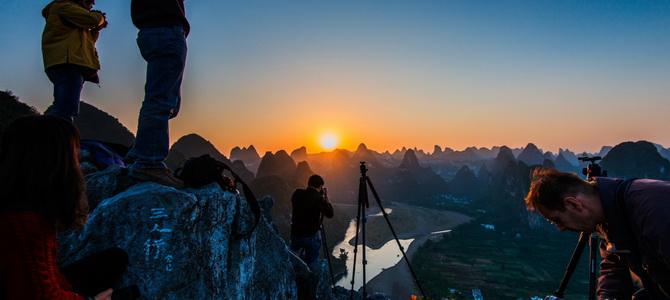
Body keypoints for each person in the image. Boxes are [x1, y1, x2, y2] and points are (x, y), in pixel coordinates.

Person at [0, 115, 129, 300]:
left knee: (113, 259)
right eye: (74, 155)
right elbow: (40, 294)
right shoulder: (24, 220)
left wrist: (71, 293)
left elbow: (49, 274)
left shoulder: (19, 200)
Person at [525, 168, 670, 299]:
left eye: (556, 220)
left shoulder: (656, 211)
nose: (560, 228)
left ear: (574, 204)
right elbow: (615, 264)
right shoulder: (608, 216)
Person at [124, 0, 189, 188]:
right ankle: (148, 163)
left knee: (159, 98)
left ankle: (140, 154)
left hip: (150, 31)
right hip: (167, 31)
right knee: (161, 100)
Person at [42, 0, 108, 123]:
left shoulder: (71, 18)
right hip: (67, 64)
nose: (92, 5)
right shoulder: (63, 6)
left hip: (69, 63)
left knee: (64, 108)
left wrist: (95, 31)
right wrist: (100, 17)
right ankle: (59, 140)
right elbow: (93, 20)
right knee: (65, 111)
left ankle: (58, 138)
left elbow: (86, 44)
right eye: (90, 3)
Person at [290, 174, 334, 265]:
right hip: (310, 237)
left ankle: (288, 268)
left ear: (308, 183)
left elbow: (305, 196)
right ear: (321, 186)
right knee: (311, 261)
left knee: (290, 256)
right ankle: (309, 272)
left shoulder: (297, 193)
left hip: (295, 234)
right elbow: (330, 214)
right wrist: (327, 198)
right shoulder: (319, 199)